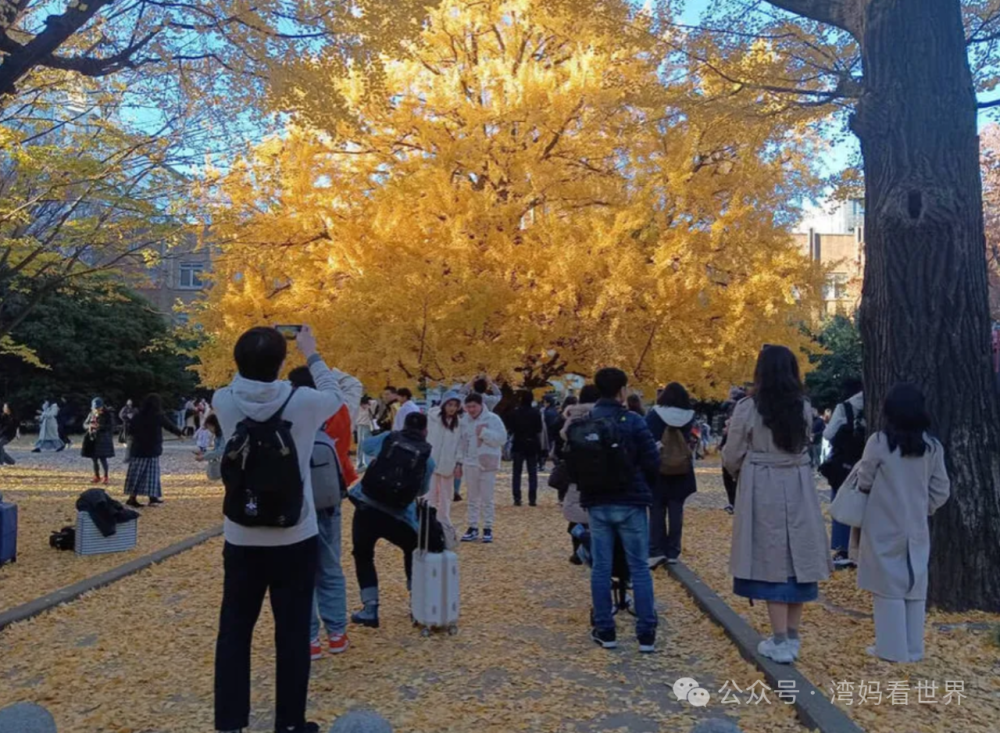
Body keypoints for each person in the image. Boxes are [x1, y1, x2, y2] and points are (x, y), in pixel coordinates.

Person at [212, 325, 349, 733]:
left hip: (241, 534)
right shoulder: (304, 401)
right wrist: (312, 352)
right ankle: (289, 723)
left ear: (237, 361)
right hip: (294, 533)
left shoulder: (223, 400)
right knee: (291, 633)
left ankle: (230, 723)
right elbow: (337, 395)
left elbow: (239, 382)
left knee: (234, 630)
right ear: (282, 362)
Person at [722, 345, 831, 665]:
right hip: (798, 484)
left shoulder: (748, 407)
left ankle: (781, 639)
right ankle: (791, 636)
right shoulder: (803, 406)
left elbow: (731, 454)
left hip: (762, 484)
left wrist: (743, 471)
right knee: (798, 558)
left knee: (770, 558)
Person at [855, 383, 950, 663]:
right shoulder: (932, 447)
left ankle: (891, 649)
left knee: (886, 586)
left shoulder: (879, 442)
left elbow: (864, 479)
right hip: (916, 524)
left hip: (882, 522)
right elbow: (941, 489)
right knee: (915, 584)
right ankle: (913, 648)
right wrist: (924, 508)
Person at [573, 368, 659, 653]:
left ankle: (605, 628)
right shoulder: (634, 421)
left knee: (601, 567)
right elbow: (652, 461)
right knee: (639, 567)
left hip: (597, 501)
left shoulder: (585, 422)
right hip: (631, 501)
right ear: (622, 390)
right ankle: (646, 633)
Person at [289, 366, 363, 660]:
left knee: (299, 571)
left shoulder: (288, 414)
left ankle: (309, 638)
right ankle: (336, 634)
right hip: (330, 494)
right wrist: (325, 368)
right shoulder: (339, 410)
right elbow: (354, 383)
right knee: (330, 565)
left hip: (297, 501)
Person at [348, 411, 435, 628]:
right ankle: (417, 605)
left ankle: (370, 609)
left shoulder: (389, 438)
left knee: (363, 554)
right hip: (398, 515)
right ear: (425, 431)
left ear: (404, 426)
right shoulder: (427, 457)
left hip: (367, 506)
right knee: (412, 549)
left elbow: (365, 445)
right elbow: (422, 490)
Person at [645, 383, 697, 568]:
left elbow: (647, 438)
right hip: (682, 468)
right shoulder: (690, 415)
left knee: (656, 509)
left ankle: (656, 550)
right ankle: (673, 551)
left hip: (659, 466)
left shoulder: (655, 414)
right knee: (676, 509)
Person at [822, 377, 865, 568]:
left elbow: (828, 434)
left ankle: (843, 548)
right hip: (867, 459)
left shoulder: (845, 407)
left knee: (841, 501)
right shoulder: (877, 402)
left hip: (845, 463)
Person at [459, 393, 507, 543]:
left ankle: (487, 527)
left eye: (474, 406)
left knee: (487, 497)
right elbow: (461, 443)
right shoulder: (464, 421)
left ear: (481, 405)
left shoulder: (493, 419)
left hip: (487, 462)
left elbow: (501, 439)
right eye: (468, 407)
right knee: (472, 497)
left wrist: (484, 433)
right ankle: (472, 526)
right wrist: (459, 461)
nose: (471, 410)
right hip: (470, 462)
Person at [124, 394, 185, 507]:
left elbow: (130, 430)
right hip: (152, 450)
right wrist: (180, 434)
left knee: (136, 475)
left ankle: (133, 498)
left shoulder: (138, 416)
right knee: (152, 475)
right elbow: (169, 425)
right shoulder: (158, 415)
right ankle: (152, 498)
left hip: (138, 450)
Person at [560, 386, 598, 563]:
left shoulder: (573, 417)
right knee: (597, 511)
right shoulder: (602, 416)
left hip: (576, 470)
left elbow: (563, 436)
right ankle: (595, 548)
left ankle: (578, 550)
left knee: (576, 509)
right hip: (599, 469)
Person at [426, 391, 464, 532]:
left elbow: (460, 444)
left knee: (446, 496)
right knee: (429, 494)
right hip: (431, 462)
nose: (452, 408)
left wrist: (459, 463)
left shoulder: (459, 423)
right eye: (449, 404)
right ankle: (428, 521)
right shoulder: (432, 418)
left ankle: (444, 523)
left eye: (455, 405)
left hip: (448, 464)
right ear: (444, 404)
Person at [505, 390, 543, 507]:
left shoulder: (515, 413)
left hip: (518, 443)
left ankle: (517, 497)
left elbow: (510, 428)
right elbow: (539, 429)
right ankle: (532, 498)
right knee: (532, 472)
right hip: (532, 443)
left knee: (517, 472)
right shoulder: (536, 413)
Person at [82, 398, 115, 484]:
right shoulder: (91, 414)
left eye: (98, 408)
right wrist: (90, 426)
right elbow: (84, 424)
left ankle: (106, 476)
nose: (96, 409)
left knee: (103, 458)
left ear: (102, 407)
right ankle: (96, 476)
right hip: (92, 439)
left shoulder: (107, 414)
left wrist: (100, 426)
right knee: (94, 459)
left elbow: (111, 426)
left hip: (103, 439)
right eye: (95, 408)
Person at [355, 396, 378, 470]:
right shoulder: (358, 407)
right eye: (361, 404)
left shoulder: (371, 405)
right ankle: (360, 464)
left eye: (364, 404)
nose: (363, 406)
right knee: (360, 445)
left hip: (368, 427)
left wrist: (368, 402)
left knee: (366, 444)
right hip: (360, 426)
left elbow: (375, 402)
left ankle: (367, 463)